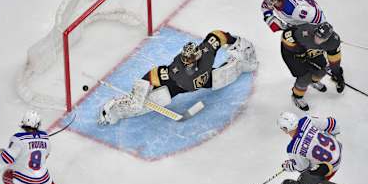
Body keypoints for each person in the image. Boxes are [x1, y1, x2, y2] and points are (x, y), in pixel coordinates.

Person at [98, 30, 258, 125]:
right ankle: (118, 109)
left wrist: (236, 42)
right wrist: (140, 92)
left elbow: (216, 36)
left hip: (205, 78)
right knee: (155, 97)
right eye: (185, 58)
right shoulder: (177, 69)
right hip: (178, 86)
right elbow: (155, 73)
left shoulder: (206, 51)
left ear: (196, 55)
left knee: (223, 77)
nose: (186, 61)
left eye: (189, 59)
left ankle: (243, 63)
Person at [281, 21, 345, 111]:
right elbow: (286, 36)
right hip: (292, 53)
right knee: (305, 76)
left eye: (321, 38)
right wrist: (299, 52)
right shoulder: (305, 32)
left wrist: (337, 73)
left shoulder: (333, 42)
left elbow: (334, 59)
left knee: (322, 70)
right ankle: (297, 96)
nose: (317, 39)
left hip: (311, 51)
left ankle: (313, 81)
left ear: (328, 38)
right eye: (317, 35)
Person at [277, 111, 342, 179]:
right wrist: (333, 136)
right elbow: (333, 124)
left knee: (305, 180)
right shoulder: (307, 120)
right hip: (338, 147)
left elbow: (303, 168)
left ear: (286, 129)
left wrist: (291, 166)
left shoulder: (293, 149)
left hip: (330, 168)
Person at [261, 0, 326, 32]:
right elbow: (265, 7)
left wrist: (320, 32)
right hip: (300, 21)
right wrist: (269, 18)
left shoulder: (295, 9)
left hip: (311, 18)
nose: (266, 2)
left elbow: (318, 18)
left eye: (268, 0)